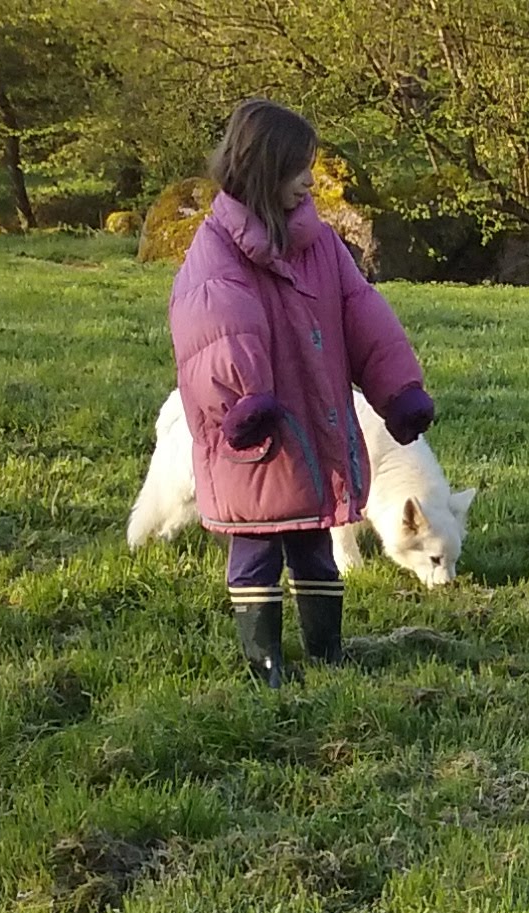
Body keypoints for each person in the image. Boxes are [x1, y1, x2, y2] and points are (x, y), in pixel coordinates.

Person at [167, 99, 436, 685]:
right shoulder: (216, 253)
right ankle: (265, 661)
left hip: (313, 428)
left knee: (314, 541)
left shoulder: (320, 244)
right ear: (262, 170)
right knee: (258, 548)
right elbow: (213, 331)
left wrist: (398, 390)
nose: (309, 181)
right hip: (253, 435)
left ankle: (327, 649)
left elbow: (362, 313)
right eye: (297, 169)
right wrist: (241, 401)